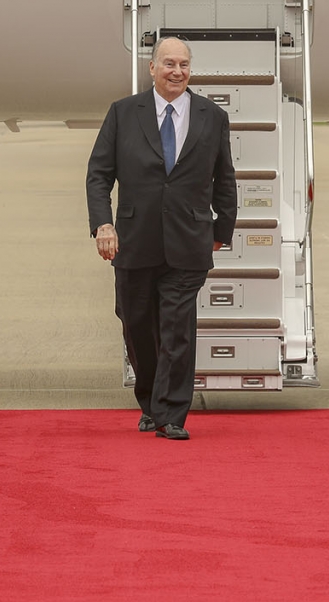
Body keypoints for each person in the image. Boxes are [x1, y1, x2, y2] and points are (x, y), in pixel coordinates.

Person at [86, 36, 237, 439]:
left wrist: (222, 229)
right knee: (136, 324)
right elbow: (99, 175)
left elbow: (225, 178)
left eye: (184, 64)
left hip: (189, 240)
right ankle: (151, 399)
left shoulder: (211, 116)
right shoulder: (123, 113)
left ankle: (171, 414)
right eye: (168, 63)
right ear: (151, 68)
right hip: (134, 240)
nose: (177, 71)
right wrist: (103, 224)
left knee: (176, 328)